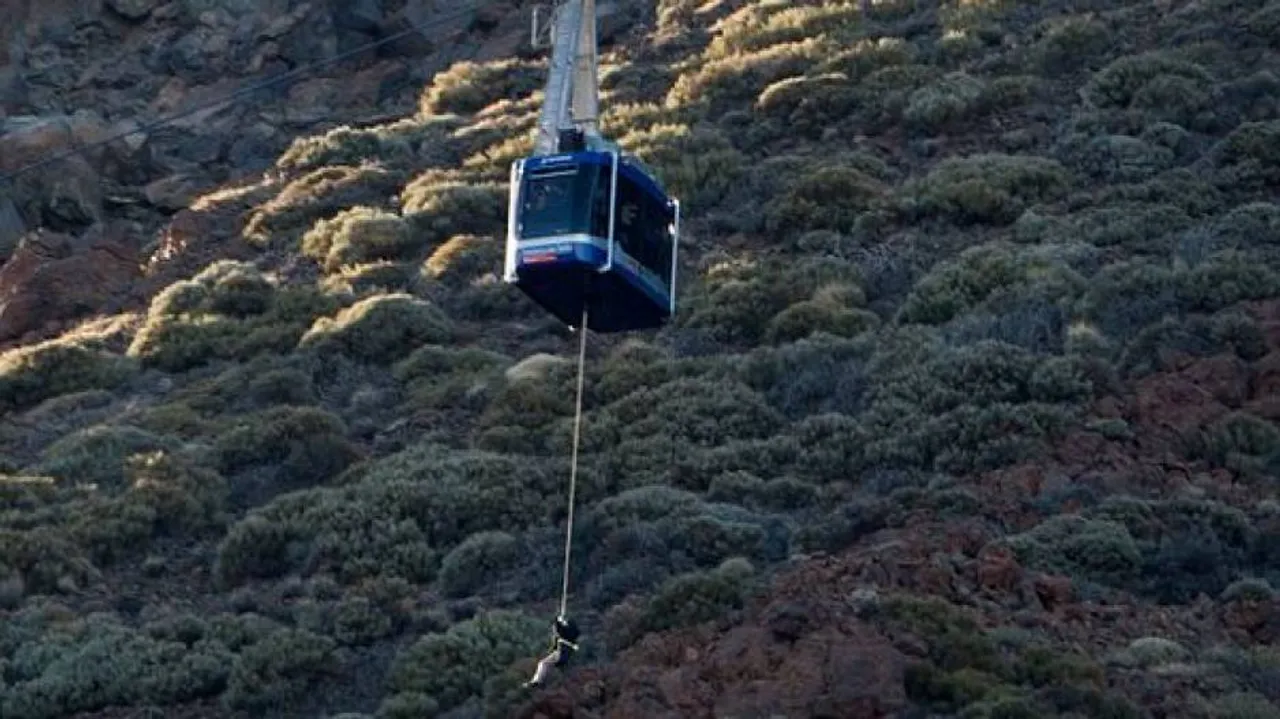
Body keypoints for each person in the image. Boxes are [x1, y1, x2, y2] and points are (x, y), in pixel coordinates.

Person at [523, 614, 580, 688]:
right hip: (560, 653)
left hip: (561, 654)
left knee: (544, 663)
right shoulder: (563, 636)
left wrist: (559, 621)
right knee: (543, 663)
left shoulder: (568, 634)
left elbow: (563, 631)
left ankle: (537, 681)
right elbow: (559, 633)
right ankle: (537, 681)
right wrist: (559, 621)